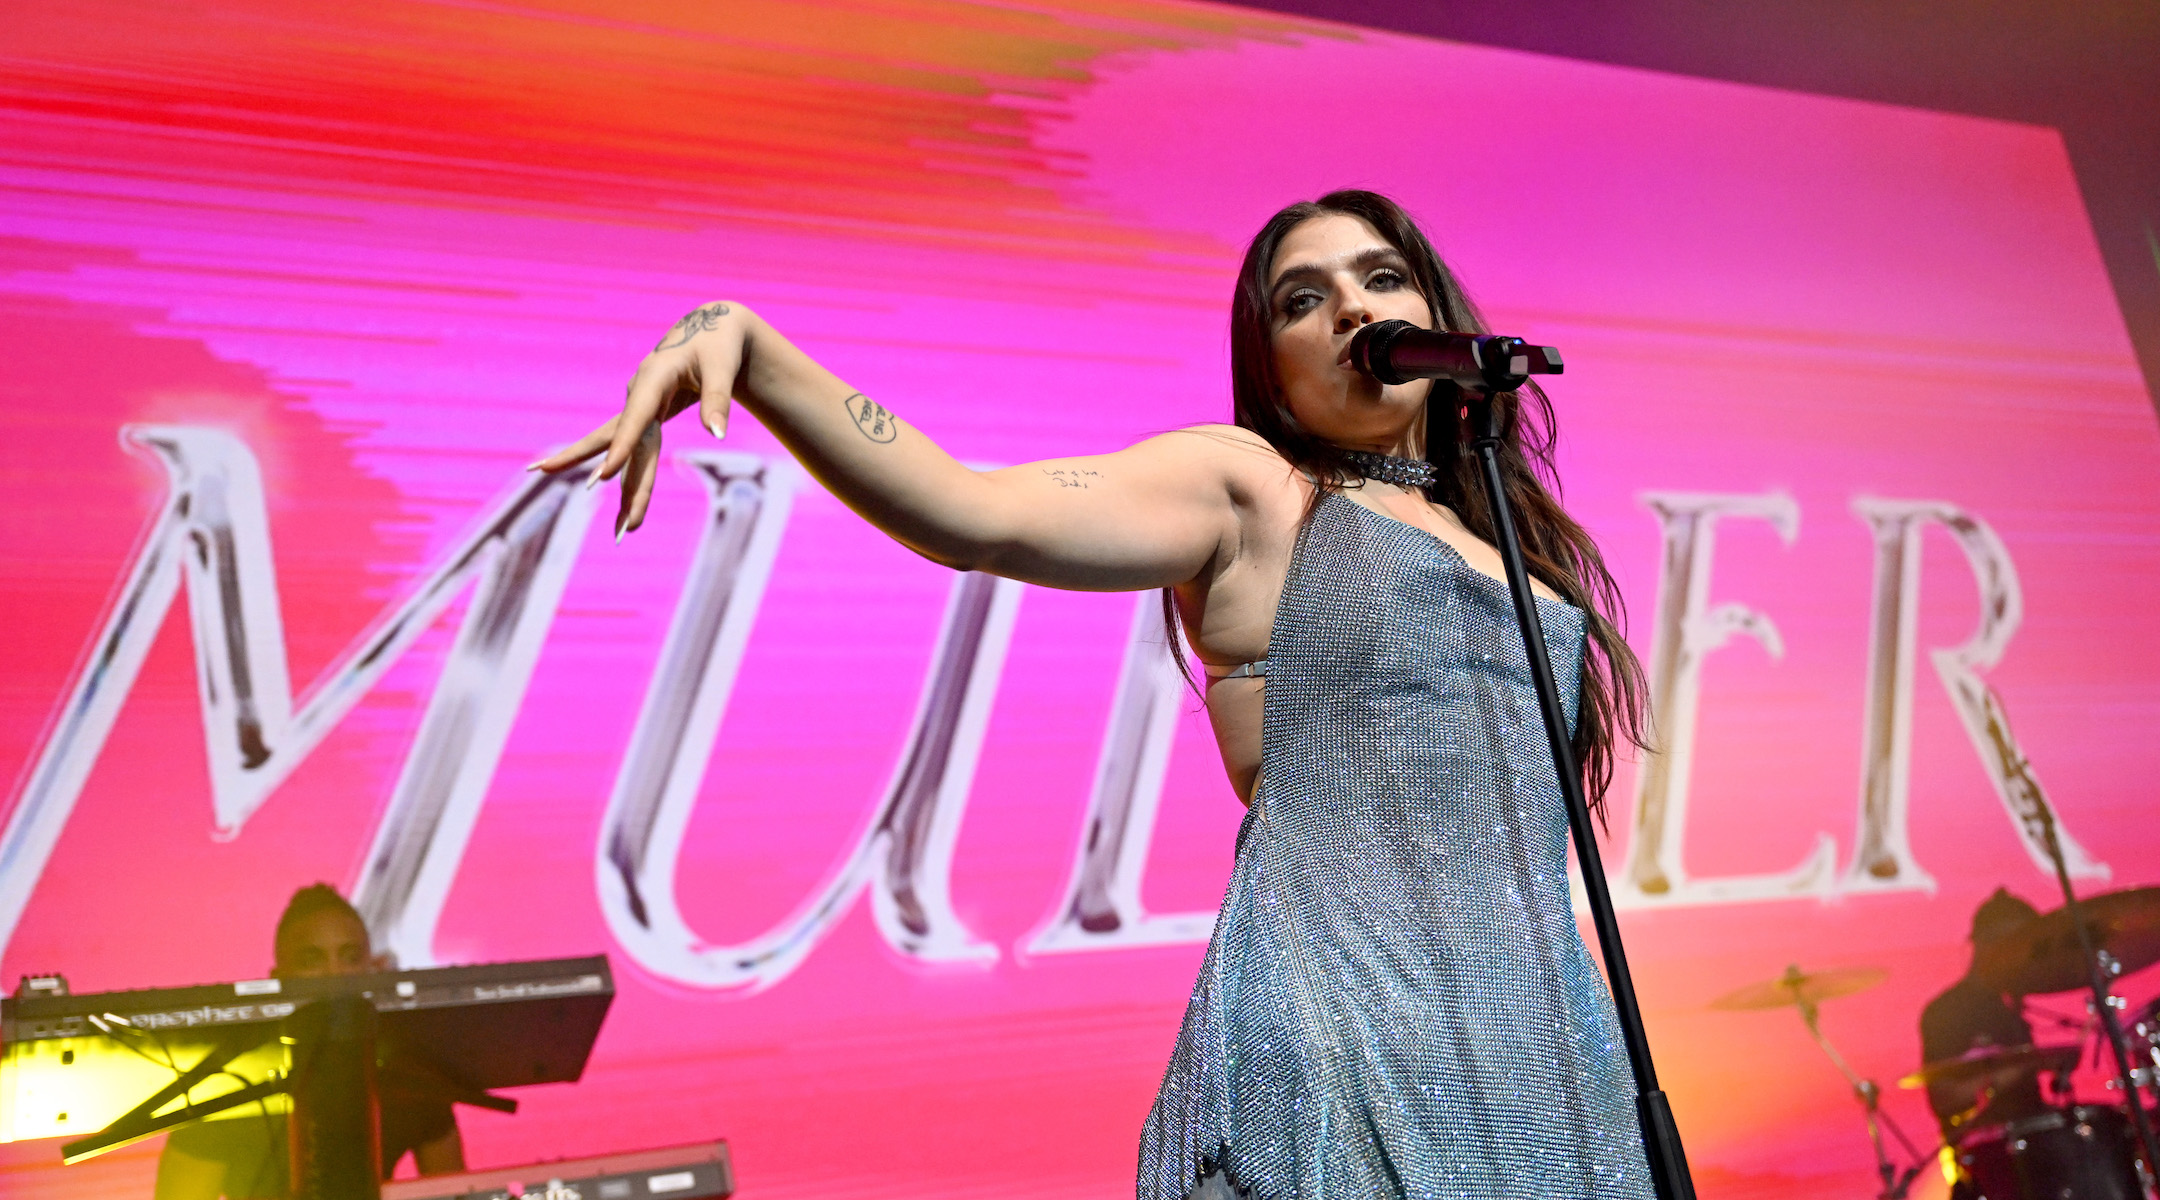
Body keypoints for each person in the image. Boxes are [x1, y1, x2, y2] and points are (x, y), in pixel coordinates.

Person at [539, 190, 1653, 1199]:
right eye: (1302, 301)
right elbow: (967, 509)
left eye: (1381, 278)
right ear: (1270, 368)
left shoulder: (1501, 539)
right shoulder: (1251, 488)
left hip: (1544, 1052)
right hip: (1343, 1043)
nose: (1353, 310)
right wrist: (747, 346)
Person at [154, 884, 466, 1200]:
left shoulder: (411, 1078)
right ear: (280, 979)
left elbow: (457, 1190)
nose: (335, 975)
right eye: (311, 960)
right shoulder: (226, 1088)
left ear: (373, 969)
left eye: (350, 957)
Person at [1919, 888, 2051, 1137]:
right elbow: (1945, 1100)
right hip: (1989, 1149)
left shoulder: (2010, 1006)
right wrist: (2019, 1068)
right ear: (1989, 945)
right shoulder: (1946, 1012)